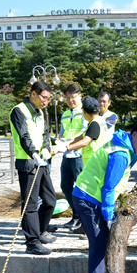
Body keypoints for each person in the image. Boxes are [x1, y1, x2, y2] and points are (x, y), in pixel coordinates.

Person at [72, 121, 137, 273]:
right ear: (134, 135)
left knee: (102, 244)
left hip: (92, 197)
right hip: (88, 198)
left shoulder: (124, 145)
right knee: (98, 246)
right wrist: (109, 217)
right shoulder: (120, 154)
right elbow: (108, 188)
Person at [53, 97, 114, 234]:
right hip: (96, 165)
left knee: (88, 197)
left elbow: (85, 141)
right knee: (87, 196)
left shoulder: (94, 124)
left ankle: (90, 228)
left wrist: (66, 148)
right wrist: (68, 142)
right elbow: (84, 136)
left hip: (94, 166)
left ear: (84, 112)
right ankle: (86, 225)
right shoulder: (99, 121)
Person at [9, 81, 57, 255]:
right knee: (30, 204)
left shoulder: (39, 112)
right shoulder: (19, 111)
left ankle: (41, 231)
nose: (46, 101)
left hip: (41, 162)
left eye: (48, 99)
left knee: (50, 200)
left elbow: (44, 133)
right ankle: (32, 242)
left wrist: (45, 148)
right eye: (44, 97)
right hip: (28, 163)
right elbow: (23, 135)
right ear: (34, 94)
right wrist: (33, 154)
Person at [54, 83, 86, 230]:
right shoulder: (65, 114)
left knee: (80, 187)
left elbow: (84, 132)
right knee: (65, 186)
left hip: (79, 154)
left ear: (80, 96)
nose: (71, 101)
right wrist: (59, 139)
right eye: (67, 98)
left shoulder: (85, 112)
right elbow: (62, 132)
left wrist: (68, 142)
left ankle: (82, 218)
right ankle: (76, 215)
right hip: (66, 154)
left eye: (73, 97)